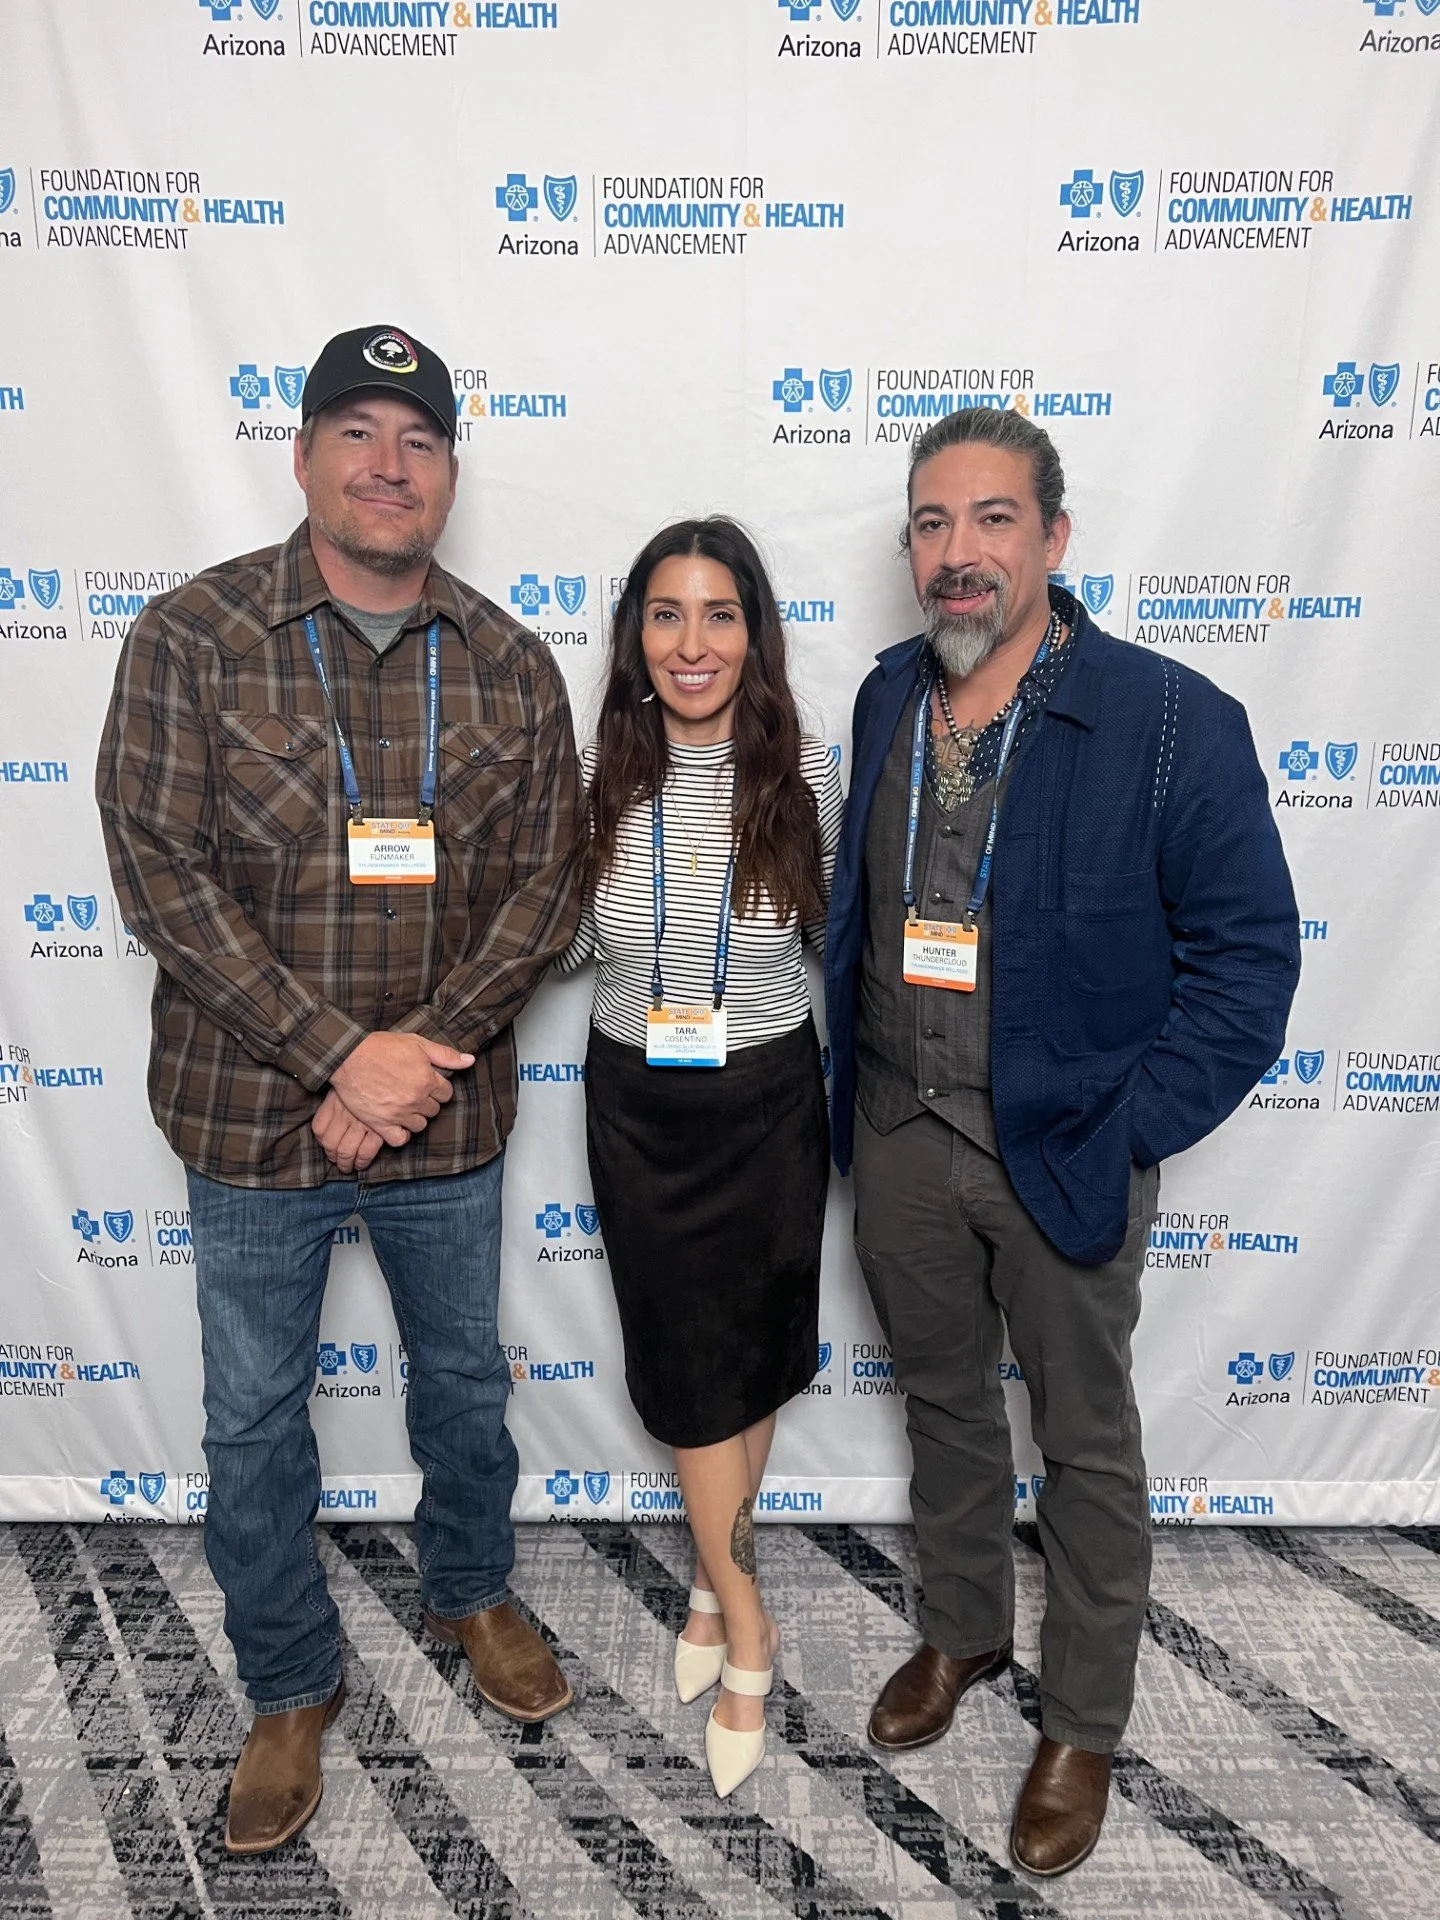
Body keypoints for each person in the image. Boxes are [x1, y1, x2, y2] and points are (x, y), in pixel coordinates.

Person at [95, 324, 583, 1856]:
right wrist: (333, 1054)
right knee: (252, 1420)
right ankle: (288, 1682)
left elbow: (546, 890)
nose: (390, 465)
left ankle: (471, 1589)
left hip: (444, 1118)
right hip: (249, 1117)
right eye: (358, 433)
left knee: (464, 1380)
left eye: (420, 441)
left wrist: (405, 1064)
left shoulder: (509, 662)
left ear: (450, 474)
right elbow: (160, 874)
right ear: (302, 455)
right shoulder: (192, 638)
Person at [824, 408, 1299, 1876]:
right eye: (932, 523)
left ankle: (1083, 1717)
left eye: (992, 519)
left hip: (1065, 1150)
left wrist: (1127, 1127)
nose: (957, 552)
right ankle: (965, 1631)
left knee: (1085, 1444)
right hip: (898, 1130)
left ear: (1055, 537)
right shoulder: (887, 696)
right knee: (945, 1405)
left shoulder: (1171, 721)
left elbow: (1248, 965)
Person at [559, 517, 842, 1798]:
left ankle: (722, 1600)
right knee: (687, 1375)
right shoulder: (595, 773)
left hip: (768, 1102)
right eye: (665, 614)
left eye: (719, 614)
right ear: (635, 637)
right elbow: (567, 948)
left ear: (753, 632)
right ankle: (748, 1616)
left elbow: (832, 941)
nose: (692, 642)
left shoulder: (806, 771)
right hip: (640, 1110)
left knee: (749, 1359)